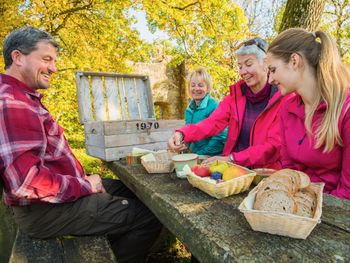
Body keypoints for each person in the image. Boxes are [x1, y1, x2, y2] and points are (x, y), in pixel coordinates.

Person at [0, 26, 162, 262]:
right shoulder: (13, 102)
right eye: (46, 59)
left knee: (141, 193)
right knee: (150, 216)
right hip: (44, 211)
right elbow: (26, 183)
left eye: (53, 61)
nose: (53, 68)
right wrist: (85, 186)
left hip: (56, 197)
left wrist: (85, 181)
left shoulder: (23, 97)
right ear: (18, 57)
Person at [169, 37, 284, 169]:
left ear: (265, 64)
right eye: (240, 66)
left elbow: (273, 146)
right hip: (234, 171)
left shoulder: (282, 97)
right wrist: (182, 133)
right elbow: (211, 123)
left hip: (265, 173)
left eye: (248, 64)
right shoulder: (235, 97)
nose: (243, 72)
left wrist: (232, 158)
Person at [266, 28, 350, 200]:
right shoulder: (287, 107)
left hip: (333, 211)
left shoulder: (345, 109)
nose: (270, 80)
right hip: (296, 204)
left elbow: (347, 191)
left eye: (273, 70)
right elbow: (288, 168)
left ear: (294, 61)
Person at [184, 67, 227, 156]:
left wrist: (201, 154)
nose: (196, 88)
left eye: (200, 85)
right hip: (195, 156)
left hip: (211, 157)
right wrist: (184, 151)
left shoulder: (214, 106)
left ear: (207, 87)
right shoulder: (189, 109)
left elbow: (220, 136)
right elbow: (189, 133)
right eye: (193, 85)